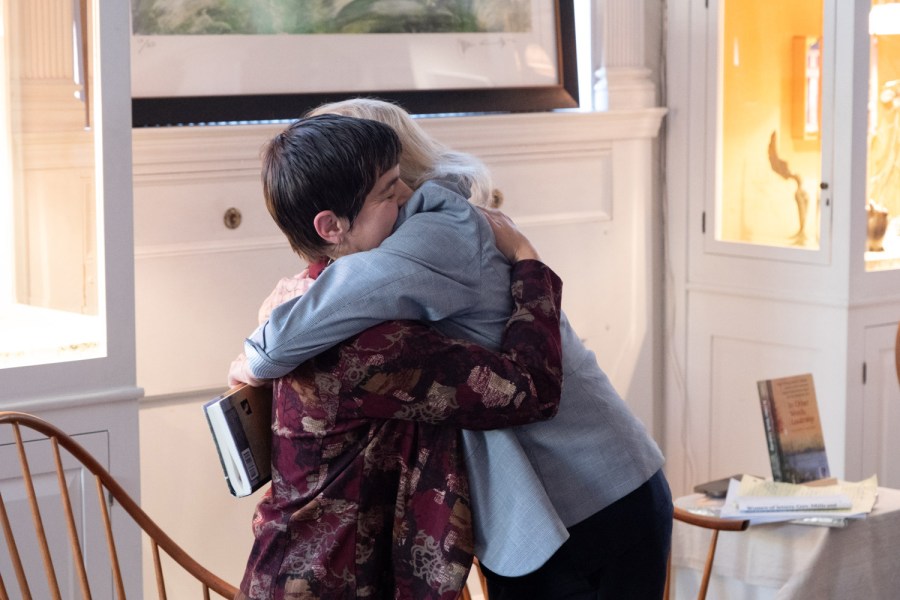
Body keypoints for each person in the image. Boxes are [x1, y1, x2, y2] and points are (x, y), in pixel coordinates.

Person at [238, 103, 673, 599]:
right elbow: (329, 297)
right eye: (386, 188)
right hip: (560, 502)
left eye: (394, 181)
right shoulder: (411, 236)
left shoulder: (429, 236)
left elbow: (278, 343)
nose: (400, 195)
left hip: (593, 495)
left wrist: (254, 349)